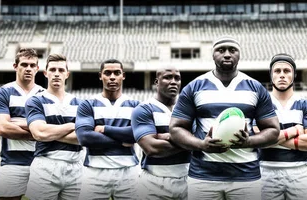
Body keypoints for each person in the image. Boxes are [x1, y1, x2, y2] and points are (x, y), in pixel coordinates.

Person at [169, 36, 280, 200]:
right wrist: (201, 144)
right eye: (221, 50)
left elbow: (273, 130)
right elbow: (175, 128)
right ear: (213, 55)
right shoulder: (194, 86)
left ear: (239, 55)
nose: (227, 54)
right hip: (203, 177)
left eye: (232, 50)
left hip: (246, 177)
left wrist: (249, 141)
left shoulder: (256, 88)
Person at [258, 54, 307, 200]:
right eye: (277, 71)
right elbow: (258, 139)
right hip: (267, 171)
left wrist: (270, 138)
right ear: (271, 75)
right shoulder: (262, 105)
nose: (282, 75)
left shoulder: (306, 105)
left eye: (286, 71)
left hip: (298, 171)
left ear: (294, 75)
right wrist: (292, 131)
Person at [74, 59, 140, 199]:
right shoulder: (88, 104)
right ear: (100, 76)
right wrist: (122, 140)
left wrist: (105, 129)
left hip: (128, 172)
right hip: (94, 172)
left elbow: (137, 135)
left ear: (123, 75)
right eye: (107, 73)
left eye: (117, 73)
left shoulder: (135, 105)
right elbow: (85, 137)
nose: (112, 77)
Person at [24, 54, 82, 200]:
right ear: (45, 73)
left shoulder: (80, 104)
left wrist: (51, 133)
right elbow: (39, 133)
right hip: (45, 164)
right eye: (53, 69)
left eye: (61, 70)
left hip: (75, 166)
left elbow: (84, 137)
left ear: (67, 74)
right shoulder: (35, 101)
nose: (57, 73)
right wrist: (72, 125)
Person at [0, 48, 44, 200]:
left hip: (42, 162)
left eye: (32, 65)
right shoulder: (3, 93)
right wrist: (37, 132)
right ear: (16, 66)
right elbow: (2, 128)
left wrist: (15, 122)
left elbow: (48, 127)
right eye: (24, 64)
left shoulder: (44, 95)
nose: (28, 68)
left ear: (37, 68)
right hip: (12, 163)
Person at [132, 66, 191, 200]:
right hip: (154, 182)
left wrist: (166, 137)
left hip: (189, 179)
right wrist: (189, 140)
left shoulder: (189, 110)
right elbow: (152, 148)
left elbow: (201, 139)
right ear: (156, 82)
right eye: (167, 77)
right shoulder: (143, 109)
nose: (173, 81)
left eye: (177, 78)